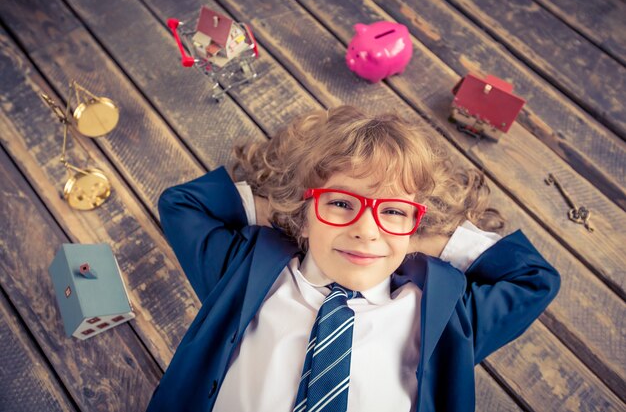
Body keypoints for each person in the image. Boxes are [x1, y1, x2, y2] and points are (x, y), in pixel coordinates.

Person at [146, 106, 560, 412]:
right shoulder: (244, 271)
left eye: (393, 211)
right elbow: (181, 204)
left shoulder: (446, 314)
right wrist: (293, 211)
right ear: (304, 214)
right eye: (342, 202)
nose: (366, 230)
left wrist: (412, 238)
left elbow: (534, 278)